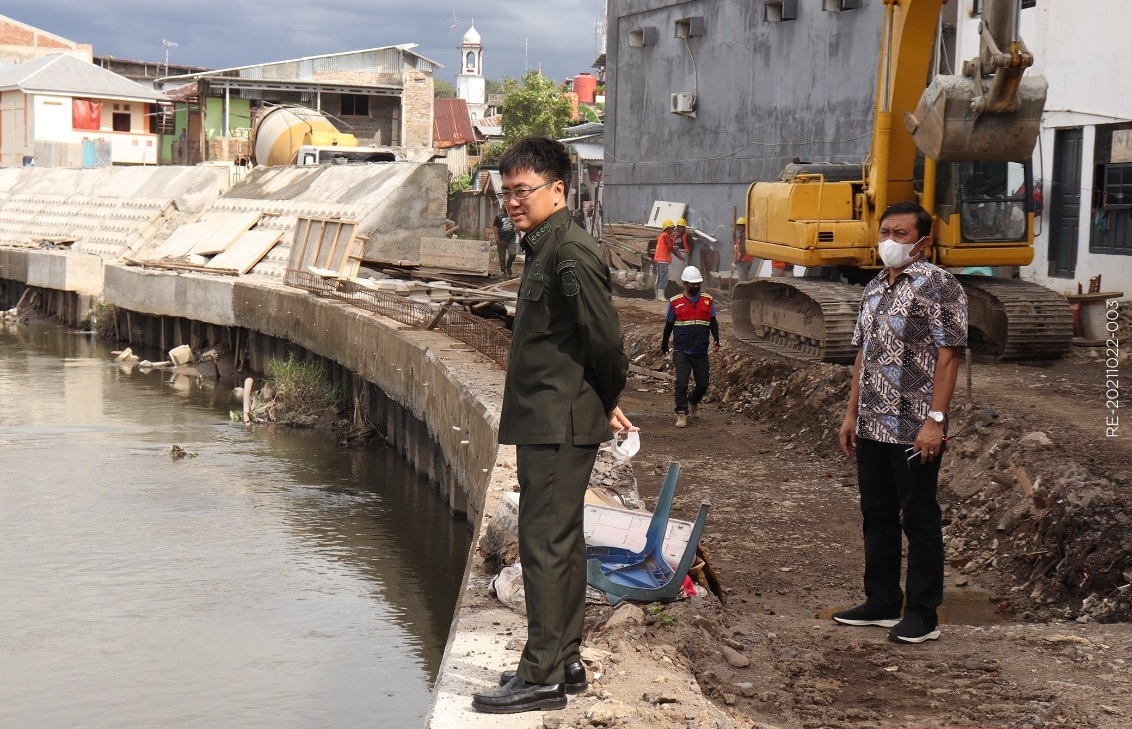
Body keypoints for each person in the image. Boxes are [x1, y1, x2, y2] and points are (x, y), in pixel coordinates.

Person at [472, 137, 635, 714]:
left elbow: (606, 342)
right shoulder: (545, 247)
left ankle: (539, 674)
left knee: (543, 544)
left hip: (557, 421)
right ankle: (564, 660)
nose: (514, 201)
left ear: (558, 190)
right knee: (559, 544)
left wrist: (604, 396)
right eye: (507, 190)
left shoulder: (569, 251)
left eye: (524, 190)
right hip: (551, 416)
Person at [834, 201, 968, 644]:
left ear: (923, 241)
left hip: (914, 425)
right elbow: (862, 356)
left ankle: (923, 614)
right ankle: (882, 603)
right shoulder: (874, 287)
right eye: (885, 231)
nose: (890, 241)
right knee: (877, 514)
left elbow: (949, 357)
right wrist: (851, 413)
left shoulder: (939, 286)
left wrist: (935, 421)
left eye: (901, 234)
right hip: (872, 422)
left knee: (919, 517)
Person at [660, 266, 720, 428]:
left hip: (700, 350)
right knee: (681, 382)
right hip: (682, 350)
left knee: (703, 384)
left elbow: (713, 321)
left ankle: (693, 400)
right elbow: (669, 325)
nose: (695, 287)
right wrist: (664, 343)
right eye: (692, 284)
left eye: (697, 284)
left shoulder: (707, 300)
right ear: (685, 284)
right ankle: (681, 413)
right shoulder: (675, 302)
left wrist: (716, 339)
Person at [652, 219, 684, 300]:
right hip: (662, 260)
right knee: (664, 278)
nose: (672, 230)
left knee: (659, 277)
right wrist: (679, 256)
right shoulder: (666, 236)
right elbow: (670, 247)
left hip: (659, 259)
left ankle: (657, 296)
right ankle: (661, 296)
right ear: (667, 228)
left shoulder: (662, 236)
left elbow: (670, 245)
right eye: (671, 228)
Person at [493, 204, 518, 276]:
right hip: (501, 239)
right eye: (505, 206)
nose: (507, 208)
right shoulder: (498, 216)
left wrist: (520, 236)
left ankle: (508, 267)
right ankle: (503, 271)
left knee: (512, 254)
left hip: (511, 239)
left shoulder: (513, 215)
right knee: (502, 257)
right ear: (502, 207)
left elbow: (516, 226)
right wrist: (497, 238)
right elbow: (495, 227)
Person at [732, 216, 756, 282]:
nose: (740, 228)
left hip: (744, 262)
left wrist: (735, 262)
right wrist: (737, 246)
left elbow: (742, 251)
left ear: (745, 227)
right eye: (738, 226)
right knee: (743, 279)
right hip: (744, 262)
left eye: (742, 226)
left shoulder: (744, 237)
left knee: (742, 281)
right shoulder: (743, 236)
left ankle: (742, 292)